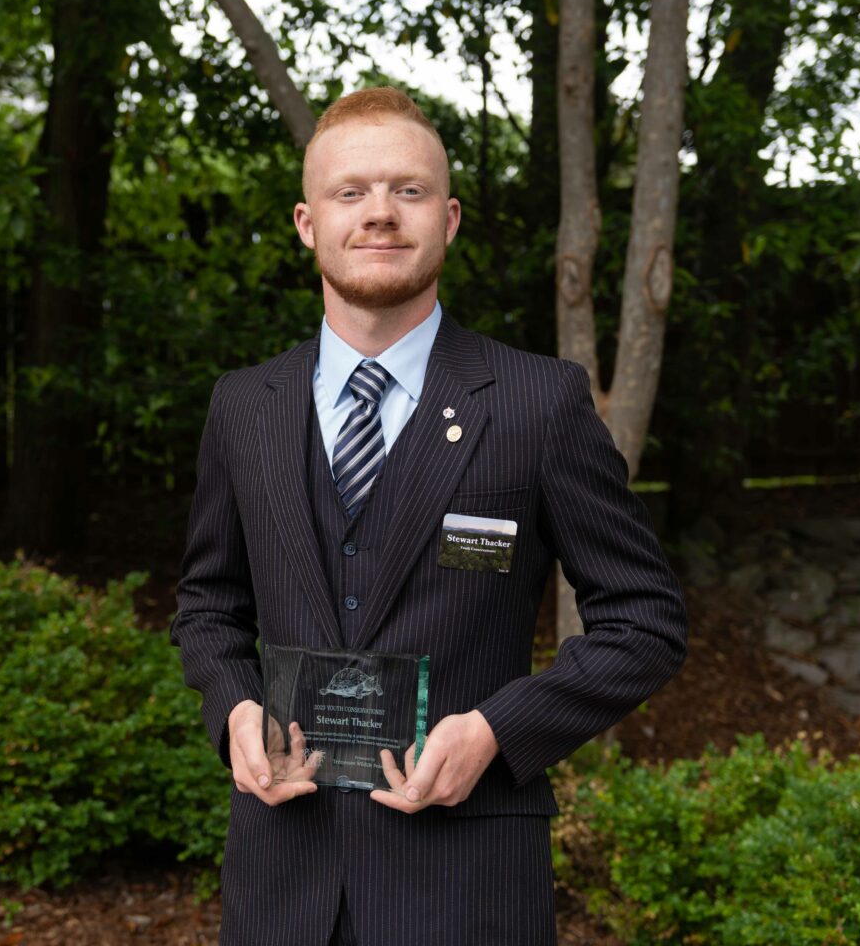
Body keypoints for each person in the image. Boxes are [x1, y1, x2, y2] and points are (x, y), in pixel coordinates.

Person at [172, 86, 687, 946]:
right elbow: (207, 606)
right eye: (351, 192)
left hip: (468, 887)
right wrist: (233, 709)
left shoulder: (536, 404)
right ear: (308, 223)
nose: (380, 213)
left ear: (448, 219)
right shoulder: (244, 407)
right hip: (280, 886)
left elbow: (645, 621)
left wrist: (497, 729)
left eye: (408, 191)